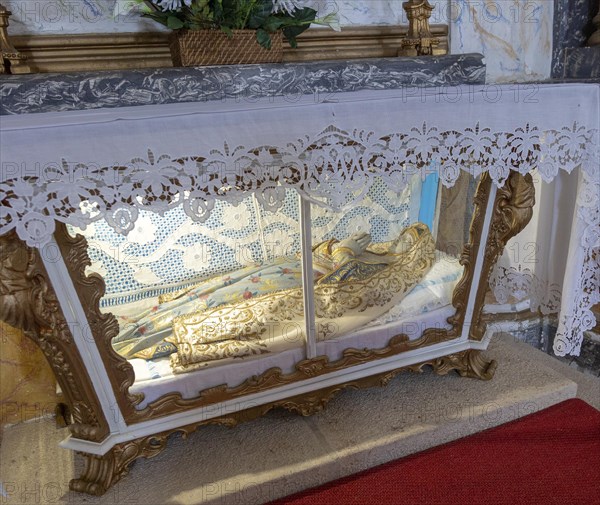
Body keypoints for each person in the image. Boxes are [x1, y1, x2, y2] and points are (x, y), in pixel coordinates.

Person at [112, 223, 435, 373]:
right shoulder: (376, 249)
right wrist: (335, 248)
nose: (398, 244)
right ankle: (138, 326)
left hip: (295, 288)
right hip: (284, 270)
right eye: (401, 239)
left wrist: (345, 253)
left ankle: (153, 339)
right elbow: (320, 250)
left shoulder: (393, 271)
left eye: (406, 244)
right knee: (211, 292)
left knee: (224, 306)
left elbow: (343, 287)